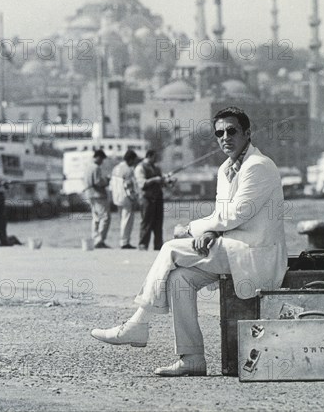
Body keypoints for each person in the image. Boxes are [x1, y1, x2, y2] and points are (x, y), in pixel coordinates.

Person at [91, 107, 288, 376]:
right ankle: (192, 357)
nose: (225, 137)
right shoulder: (225, 169)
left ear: (247, 133)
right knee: (179, 279)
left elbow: (238, 213)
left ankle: (138, 323)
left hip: (254, 254)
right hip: (231, 248)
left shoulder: (259, 166)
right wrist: (210, 233)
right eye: (219, 133)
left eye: (231, 131)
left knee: (170, 248)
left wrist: (191, 228)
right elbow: (224, 216)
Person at [134, 149, 165, 251]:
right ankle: (143, 244)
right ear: (149, 156)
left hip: (158, 198)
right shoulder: (140, 168)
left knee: (158, 223)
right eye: (155, 157)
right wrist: (155, 179)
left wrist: (167, 181)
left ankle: (158, 245)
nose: (156, 159)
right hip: (146, 199)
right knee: (146, 222)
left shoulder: (156, 168)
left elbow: (162, 182)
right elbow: (142, 183)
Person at [111, 149, 139, 249]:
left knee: (121, 220)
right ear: (130, 160)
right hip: (126, 198)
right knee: (127, 220)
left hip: (116, 197)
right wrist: (133, 198)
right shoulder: (128, 170)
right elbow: (128, 186)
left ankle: (122, 240)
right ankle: (124, 242)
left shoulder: (116, 168)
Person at [84, 149, 111, 249]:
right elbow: (98, 182)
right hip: (98, 195)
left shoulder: (88, 167)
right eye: (102, 159)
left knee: (95, 218)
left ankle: (95, 238)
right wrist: (107, 180)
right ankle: (99, 240)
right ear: (98, 157)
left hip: (90, 195)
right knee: (105, 217)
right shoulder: (96, 168)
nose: (102, 162)